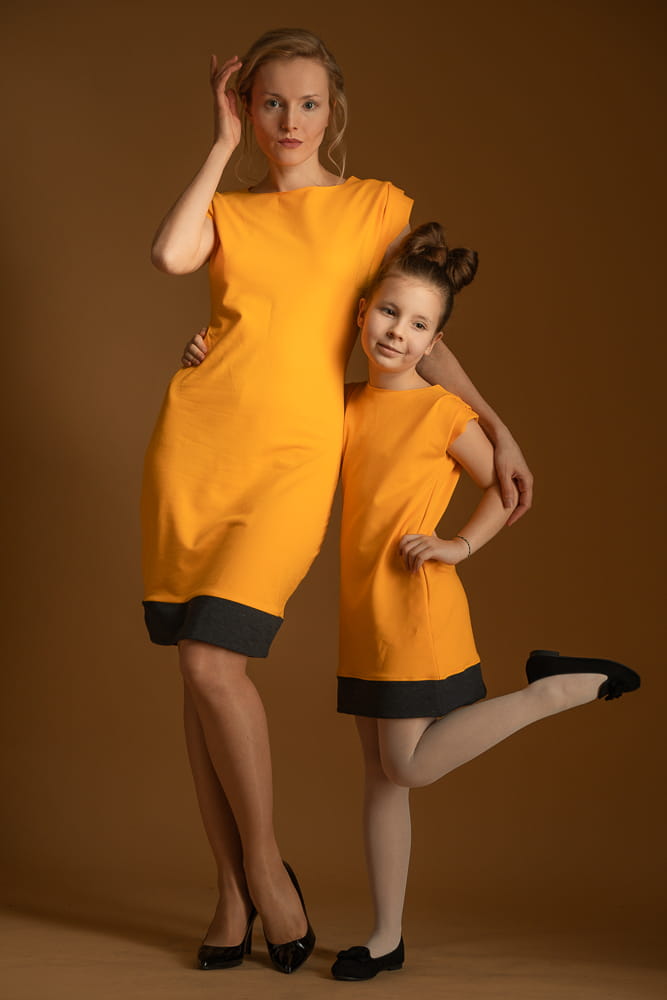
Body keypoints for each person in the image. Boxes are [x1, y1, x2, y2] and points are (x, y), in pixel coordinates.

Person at [144, 27, 532, 975]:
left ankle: (266, 871)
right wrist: (217, 146)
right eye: (269, 102)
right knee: (198, 675)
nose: (289, 120)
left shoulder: (372, 208)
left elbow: (424, 327)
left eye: (307, 103)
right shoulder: (229, 210)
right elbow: (170, 256)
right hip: (197, 447)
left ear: (334, 111)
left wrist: (495, 424)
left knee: (210, 661)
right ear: (247, 108)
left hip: (293, 459)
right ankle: (231, 891)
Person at [328, 223, 640, 981]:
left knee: (406, 769)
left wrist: (459, 547)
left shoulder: (443, 413)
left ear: (436, 341)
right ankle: (386, 936)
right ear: (363, 312)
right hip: (362, 613)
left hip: (413, 606)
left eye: (418, 325)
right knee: (380, 777)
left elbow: (503, 489)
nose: (397, 333)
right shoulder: (342, 403)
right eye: (388, 313)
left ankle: (551, 691)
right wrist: (203, 355)